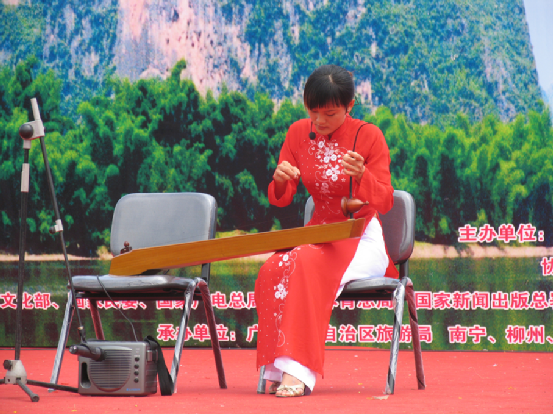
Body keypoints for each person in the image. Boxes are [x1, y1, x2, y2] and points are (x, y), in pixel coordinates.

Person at [254, 64, 398, 398]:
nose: (319, 121)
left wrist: (362, 176)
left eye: (329, 114)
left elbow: (386, 200)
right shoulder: (297, 133)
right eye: (313, 111)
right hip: (316, 236)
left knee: (304, 263)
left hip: (360, 237)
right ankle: (276, 368)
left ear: (349, 107)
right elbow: (281, 198)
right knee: (273, 267)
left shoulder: (369, 136)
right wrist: (280, 180)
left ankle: (297, 372)